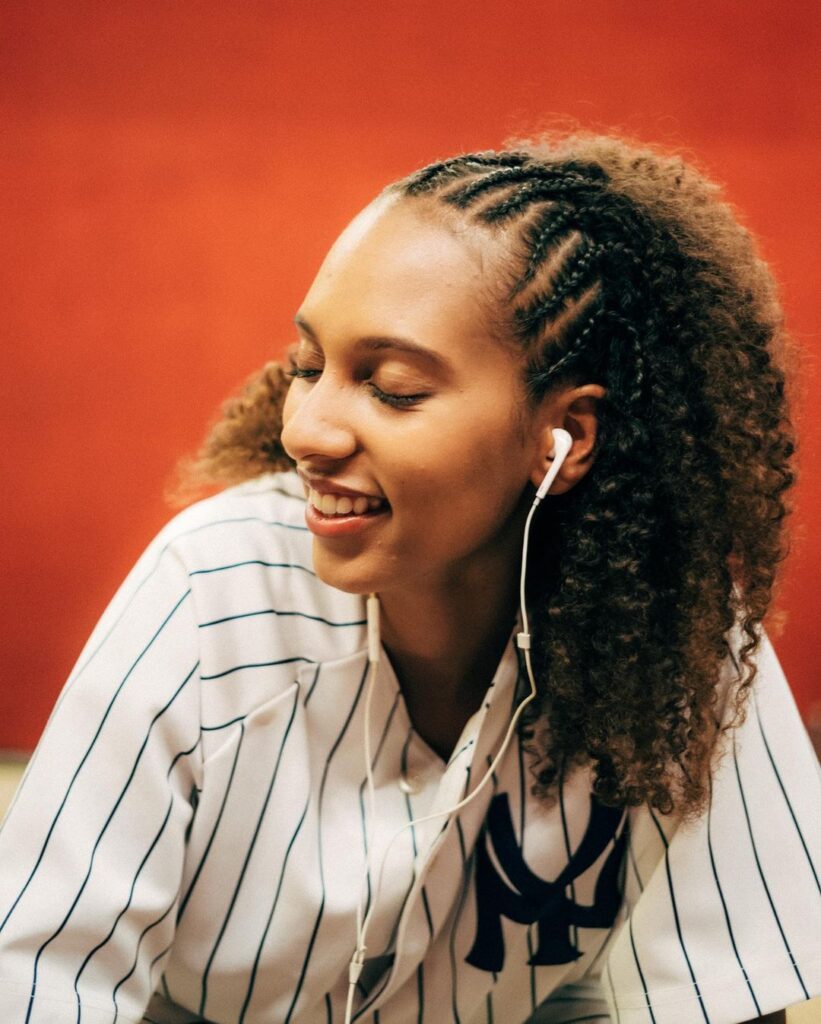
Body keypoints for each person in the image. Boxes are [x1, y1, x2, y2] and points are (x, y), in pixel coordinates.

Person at [0, 133, 818, 1024]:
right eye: (307, 367)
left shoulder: (682, 641)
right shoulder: (212, 592)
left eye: (390, 388)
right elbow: (42, 978)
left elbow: (736, 991)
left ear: (565, 439)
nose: (307, 430)